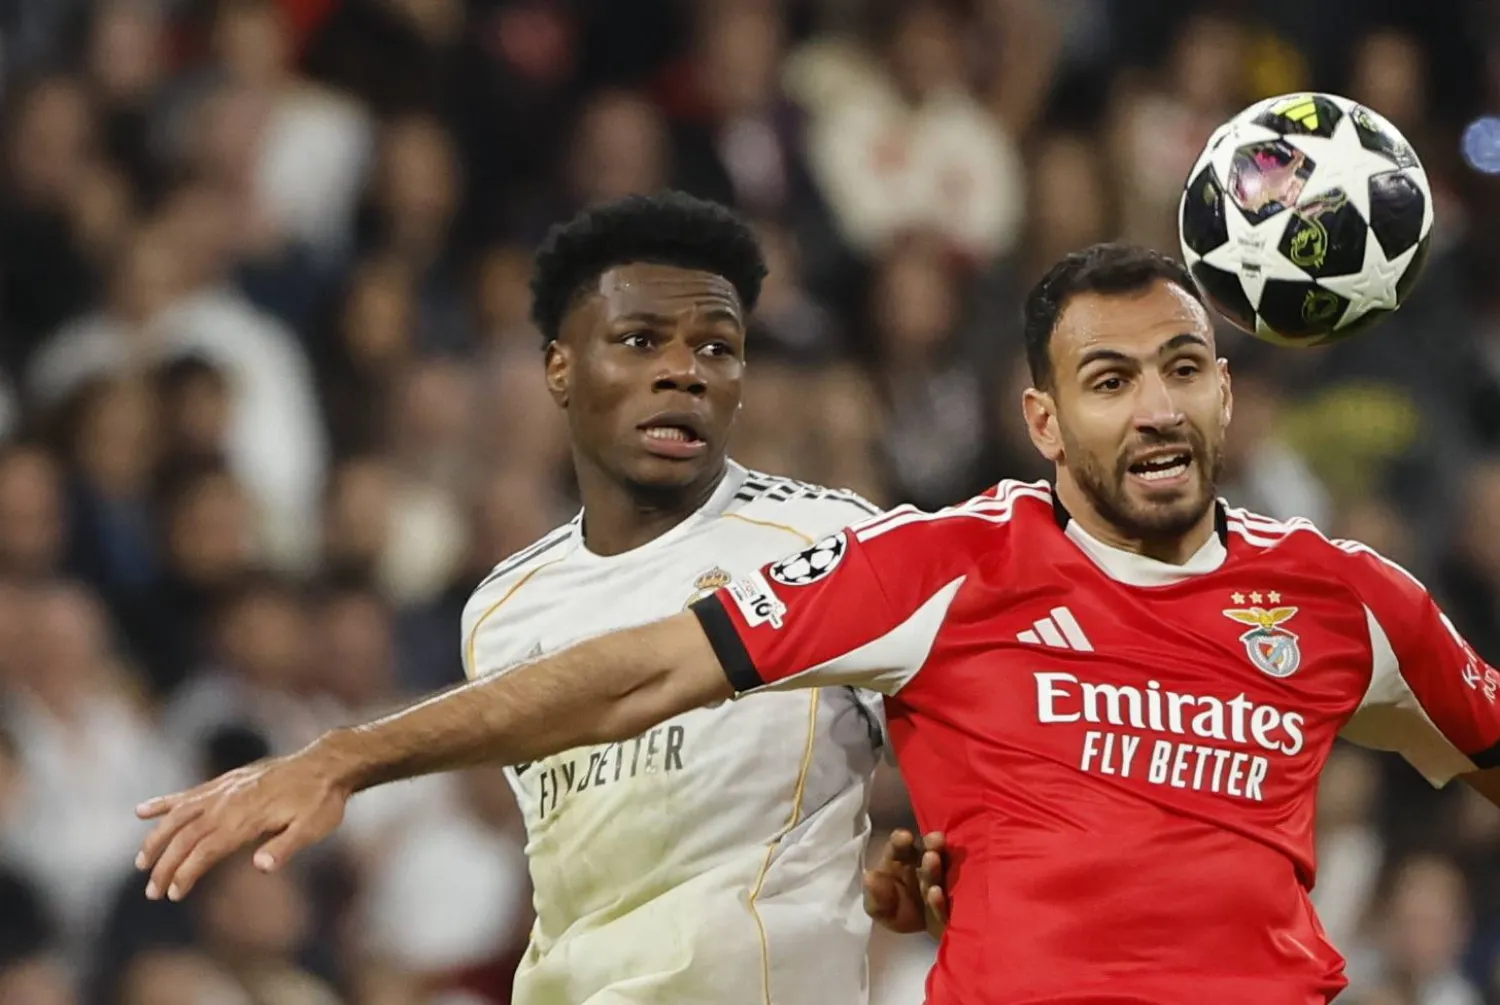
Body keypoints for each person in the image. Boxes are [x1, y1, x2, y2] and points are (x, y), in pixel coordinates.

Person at [134, 241, 1500, 1004]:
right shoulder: (944, 566)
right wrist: (348, 755)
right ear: (1043, 420)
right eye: (1109, 379)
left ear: (1225, 397)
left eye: (1183, 370)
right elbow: (637, 674)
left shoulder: (1346, 598)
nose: (1155, 408)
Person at [137, 191, 942, 1004]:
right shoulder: (505, 607)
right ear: (561, 368)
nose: (684, 372)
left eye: (716, 348)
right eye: (641, 340)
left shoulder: (831, 540)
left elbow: (960, 764)